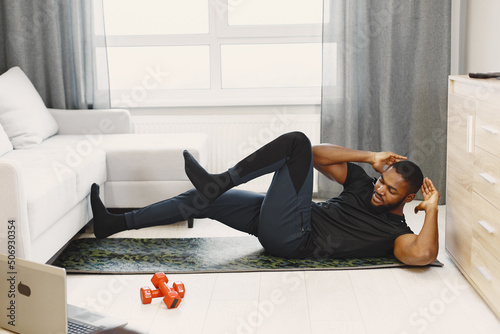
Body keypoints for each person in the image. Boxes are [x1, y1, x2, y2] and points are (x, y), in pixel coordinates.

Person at [90, 131, 439, 266]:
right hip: (287, 220)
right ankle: (114, 223)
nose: (380, 189)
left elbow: (423, 254)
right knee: (203, 200)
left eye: (391, 190)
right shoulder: (365, 186)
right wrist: (368, 157)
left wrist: (433, 209)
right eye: (382, 181)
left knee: (295, 143)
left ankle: (220, 181)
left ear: (408, 198)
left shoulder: (396, 231)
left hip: (296, 239)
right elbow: (318, 156)